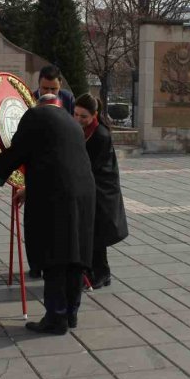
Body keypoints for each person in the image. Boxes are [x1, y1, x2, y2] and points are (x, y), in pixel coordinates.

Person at [0, 94, 96, 335]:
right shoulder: (72, 122)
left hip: (56, 199)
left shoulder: (35, 116)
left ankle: (56, 317)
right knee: (75, 255)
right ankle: (71, 314)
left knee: (55, 255)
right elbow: (57, 160)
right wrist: (29, 190)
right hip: (83, 195)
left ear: (37, 104)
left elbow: (19, 150)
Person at [73, 94, 129, 289]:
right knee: (91, 233)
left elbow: (90, 165)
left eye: (83, 116)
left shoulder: (100, 134)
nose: (78, 119)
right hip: (92, 188)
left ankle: (102, 273)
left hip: (103, 191)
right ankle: (92, 271)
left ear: (94, 115)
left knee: (97, 234)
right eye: (76, 114)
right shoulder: (85, 130)